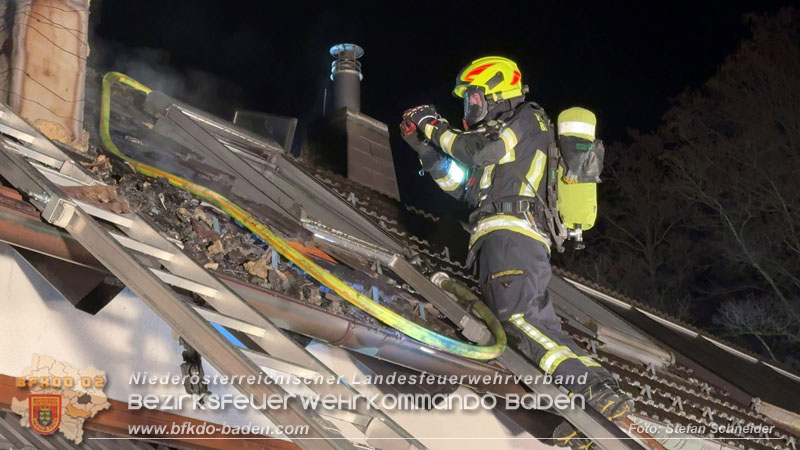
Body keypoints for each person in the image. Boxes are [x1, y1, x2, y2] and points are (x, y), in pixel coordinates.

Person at [400, 56, 633, 448]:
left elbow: (477, 152)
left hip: (510, 235)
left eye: (474, 99)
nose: (470, 109)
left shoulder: (527, 119)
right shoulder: (502, 143)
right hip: (504, 237)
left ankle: (592, 389)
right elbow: (462, 184)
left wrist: (433, 126)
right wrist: (426, 151)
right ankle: (581, 414)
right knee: (539, 329)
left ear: (497, 89)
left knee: (516, 320)